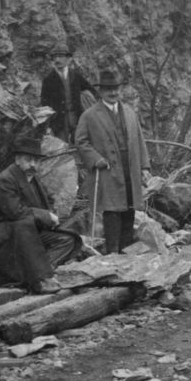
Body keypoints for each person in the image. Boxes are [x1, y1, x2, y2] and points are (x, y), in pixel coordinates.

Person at [0, 136, 81, 294]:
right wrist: (46, 216)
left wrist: (51, 217)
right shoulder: (6, 180)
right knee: (23, 224)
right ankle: (39, 278)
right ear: (17, 159)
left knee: (67, 240)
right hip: (0, 234)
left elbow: (45, 204)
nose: (33, 165)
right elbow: (15, 212)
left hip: (24, 232)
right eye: (28, 160)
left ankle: (39, 273)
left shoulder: (33, 179)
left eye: (36, 161)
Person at [74, 70, 149, 255]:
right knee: (112, 211)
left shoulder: (130, 112)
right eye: (108, 89)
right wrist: (95, 159)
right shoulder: (90, 115)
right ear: (100, 91)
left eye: (115, 89)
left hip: (129, 168)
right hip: (107, 169)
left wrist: (145, 167)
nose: (113, 93)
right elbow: (81, 141)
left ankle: (126, 252)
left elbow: (140, 140)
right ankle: (112, 253)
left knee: (129, 209)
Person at [39, 43, 93, 142]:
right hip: (59, 122)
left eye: (60, 56)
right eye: (55, 57)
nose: (57, 60)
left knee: (80, 144)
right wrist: (48, 126)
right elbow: (44, 104)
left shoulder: (76, 76)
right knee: (62, 149)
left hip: (77, 118)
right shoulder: (48, 80)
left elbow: (91, 90)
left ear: (68, 59)